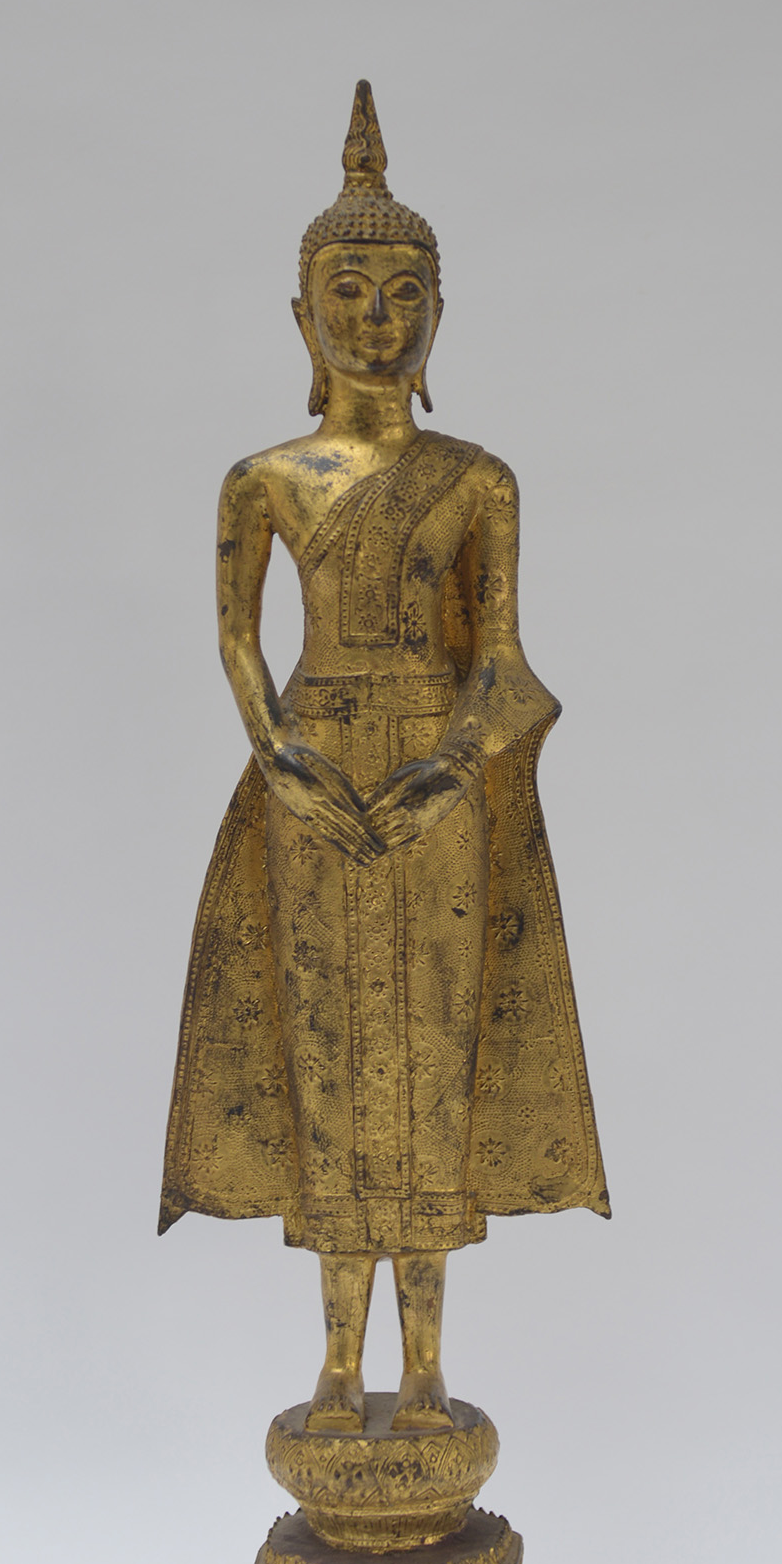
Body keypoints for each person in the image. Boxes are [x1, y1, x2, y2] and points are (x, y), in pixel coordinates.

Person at [159, 83, 608, 1434]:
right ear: (302, 317)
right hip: (310, 778)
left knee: (433, 1057)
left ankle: (424, 1370)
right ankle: (337, 1365)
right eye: (347, 292)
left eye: (404, 293)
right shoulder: (266, 480)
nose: (375, 318)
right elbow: (237, 641)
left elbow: (502, 661)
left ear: (439, 316)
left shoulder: (479, 479)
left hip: (437, 786)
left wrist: (448, 771)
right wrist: (277, 754)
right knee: (326, 1055)